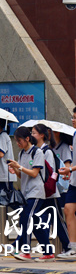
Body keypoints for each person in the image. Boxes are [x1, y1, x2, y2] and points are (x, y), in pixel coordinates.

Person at [8, 126, 52, 261]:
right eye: (16, 141)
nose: (18, 143)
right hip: (26, 193)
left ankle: (26, 252)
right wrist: (15, 170)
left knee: (26, 219)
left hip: (36, 192)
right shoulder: (22, 153)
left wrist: (19, 167)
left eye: (19, 140)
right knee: (36, 224)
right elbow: (23, 175)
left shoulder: (37, 152)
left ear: (27, 139)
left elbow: (34, 173)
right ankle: (48, 252)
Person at [32, 122, 69, 259]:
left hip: (49, 193)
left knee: (58, 221)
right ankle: (47, 250)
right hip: (40, 193)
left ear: (42, 135)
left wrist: (48, 187)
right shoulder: (36, 150)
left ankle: (68, 246)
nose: (31, 135)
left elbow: (51, 172)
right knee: (37, 220)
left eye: (34, 133)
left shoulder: (47, 151)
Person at [60, 107, 76, 258]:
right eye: (72, 117)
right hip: (74, 182)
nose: (73, 120)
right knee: (68, 210)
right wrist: (70, 172)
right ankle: (73, 248)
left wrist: (70, 169)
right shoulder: (75, 134)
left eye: (75, 118)